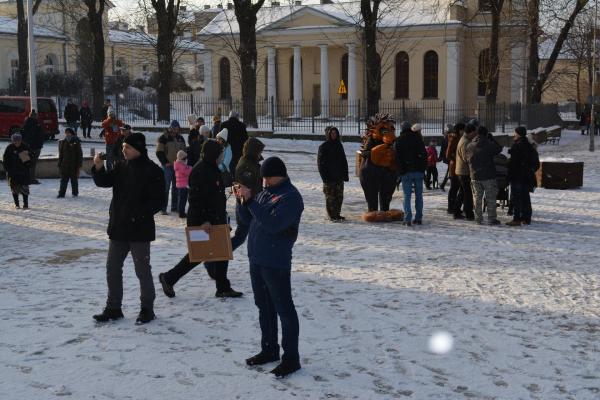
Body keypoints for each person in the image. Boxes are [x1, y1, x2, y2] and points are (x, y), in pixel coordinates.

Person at [233, 156, 304, 378]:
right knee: (264, 307)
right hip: (257, 259)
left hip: (276, 262)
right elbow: (246, 220)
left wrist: (252, 201)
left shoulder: (290, 197)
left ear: (279, 175)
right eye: (262, 178)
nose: (264, 182)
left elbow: (274, 225)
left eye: (268, 178)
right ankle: (269, 349)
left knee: (284, 310)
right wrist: (241, 200)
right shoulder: (265, 192)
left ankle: (291, 358)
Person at [91, 133, 165, 325]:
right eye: (123, 146)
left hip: (140, 230)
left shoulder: (153, 170)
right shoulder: (121, 166)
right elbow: (103, 181)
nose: (124, 150)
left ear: (138, 149)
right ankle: (113, 307)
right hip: (118, 228)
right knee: (112, 268)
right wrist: (98, 168)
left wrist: (138, 214)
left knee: (142, 270)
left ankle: (147, 308)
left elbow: (159, 201)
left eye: (128, 147)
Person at [158, 140, 243, 298]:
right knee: (198, 254)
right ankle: (168, 278)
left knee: (222, 252)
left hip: (215, 218)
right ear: (213, 154)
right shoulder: (201, 170)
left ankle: (223, 287)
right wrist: (204, 220)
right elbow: (196, 198)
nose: (221, 156)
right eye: (220, 154)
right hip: (203, 221)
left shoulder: (211, 168)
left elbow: (214, 191)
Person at [465, 126, 503, 225]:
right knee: (490, 198)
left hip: (474, 175)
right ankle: (491, 219)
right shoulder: (489, 144)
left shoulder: (470, 145)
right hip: (488, 175)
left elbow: (466, 159)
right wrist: (492, 139)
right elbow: (499, 149)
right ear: (486, 134)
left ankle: (478, 218)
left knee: (477, 198)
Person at [359, 115, 398, 212]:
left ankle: (385, 210)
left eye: (391, 130)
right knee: (372, 193)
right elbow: (365, 153)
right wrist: (374, 152)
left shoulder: (393, 143)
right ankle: (372, 210)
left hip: (387, 172)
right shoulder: (371, 140)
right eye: (384, 131)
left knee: (386, 193)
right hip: (372, 172)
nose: (388, 133)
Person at [506, 126, 540, 226]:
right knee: (525, 197)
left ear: (519, 134)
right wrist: (530, 171)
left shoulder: (516, 146)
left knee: (516, 198)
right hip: (527, 177)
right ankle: (527, 218)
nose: (513, 135)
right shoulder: (530, 147)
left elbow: (513, 163)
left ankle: (517, 219)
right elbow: (536, 164)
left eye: (515, 133)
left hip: (517, 176)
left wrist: (508, 165)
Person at [395, 123, 427, 226]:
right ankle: (418, 218)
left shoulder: (399, 140)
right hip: (418, 171)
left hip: (406, 172)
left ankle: (407, 219)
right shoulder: (418, 138)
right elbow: (424, 155)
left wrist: (401, 172)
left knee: (407, 196)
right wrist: (423, 169)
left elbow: (398, 158)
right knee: (419, 196)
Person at [317, 126, 349, 222]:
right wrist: (325, 178)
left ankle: (337, 214)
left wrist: (345, 174)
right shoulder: (323, 146)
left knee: (339, 197)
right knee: (330, 197)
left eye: (335, 133)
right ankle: (332, 215)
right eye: (332, 133)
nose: (334, 135)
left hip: (339, 177)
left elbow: (344, 160)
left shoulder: (339, 145)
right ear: (328, 135)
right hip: (329, 178)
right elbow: (320, 164)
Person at [156, 120, 186, 214]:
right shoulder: (163, 138)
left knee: (176, 187)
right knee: (166, 187)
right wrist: (165, 162)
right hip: (167, 167)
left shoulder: (181, 138)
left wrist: (183, 162)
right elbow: (159, 152)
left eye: (177, 128)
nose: (176, 130)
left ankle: (174, 206)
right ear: (170, 128)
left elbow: (184, 151)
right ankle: (163, 208)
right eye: (174, 128)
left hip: (178, 166)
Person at [3, 133, 31, 209]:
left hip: (23, 172)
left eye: (18, 141)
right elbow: (5, 160)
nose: (17, 142)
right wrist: (7, 169)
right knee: (14, 189)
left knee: (25, 188)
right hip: (12, 172)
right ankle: (17, 204)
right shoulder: (9, 148)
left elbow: (29, 161)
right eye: (15, 141)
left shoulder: (24, 147)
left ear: (21, 140)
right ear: (12, 141)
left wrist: (27, 161)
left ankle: (25, 204)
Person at [456, 122, 476, 220]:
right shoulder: (465, 142)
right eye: (474, 133)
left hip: (461, 170)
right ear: (470, 132)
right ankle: (469, 213)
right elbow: (466, 158)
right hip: (464, 171)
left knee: (462, 192)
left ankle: (456, 211)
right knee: (467, 194)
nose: (475, 135)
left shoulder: (464, 140)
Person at [20, 110, 45, 184]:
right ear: (35, 116)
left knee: (24, 164)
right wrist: (39, 146)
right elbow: (40, 136)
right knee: (32, 164)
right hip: (35, 148)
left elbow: (22, 135)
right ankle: (31, 179)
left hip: (24, 148)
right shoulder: (37, 124)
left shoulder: (25, 123)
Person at [57, 127, 83, 198]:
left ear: (71, 133)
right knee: (63, 181)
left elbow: (79, 154)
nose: (67, 134)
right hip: (64, 165)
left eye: (68, 133)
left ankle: (75, 193)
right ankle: (61, 194)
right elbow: (61, 154)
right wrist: (59, 164)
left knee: (74, 180)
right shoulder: (63, 142)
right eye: (66, 133)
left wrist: (79, 165)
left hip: (73, 165)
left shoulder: (76, 141)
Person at [174, 150, 192, 218]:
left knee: (182, 199)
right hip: (182, 185)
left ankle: (181, 211)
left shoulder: (180, 164)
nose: (186, 159)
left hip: (183, 184)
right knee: (182, 200)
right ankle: (181, 213)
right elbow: (186, 172)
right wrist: (190, 168)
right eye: (185, 158)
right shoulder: (180, 165)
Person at [439, 124, 452, 191]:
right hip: (450, 157)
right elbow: (444, 148)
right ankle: (443, 184)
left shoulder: (446, 137)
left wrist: (441, 157)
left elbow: (442, 148)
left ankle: (443, 184)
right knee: (450, 172)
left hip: (448, 157)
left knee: (449, 171)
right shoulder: (448, 138)